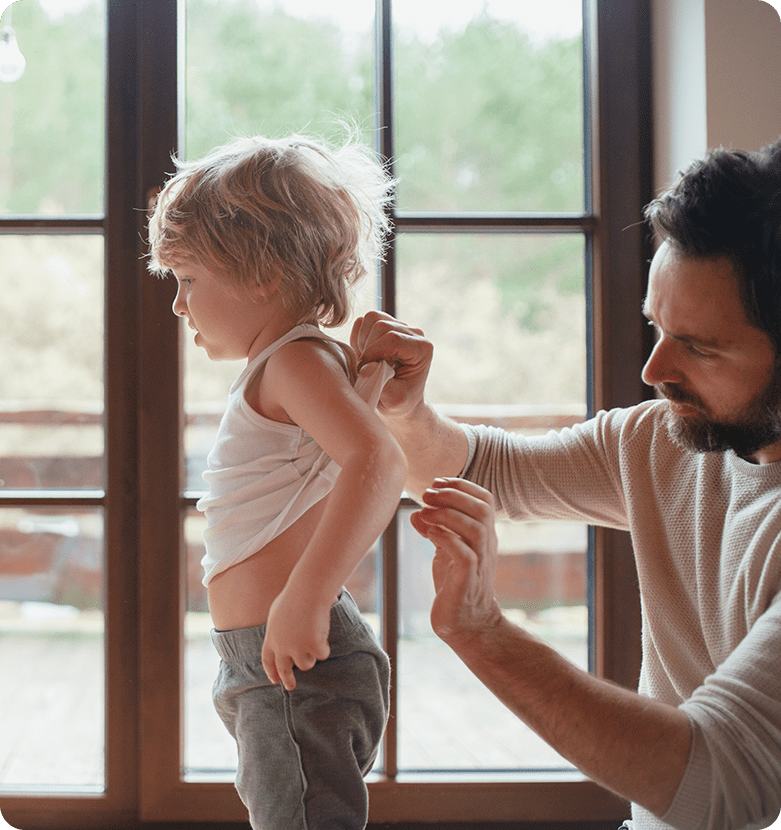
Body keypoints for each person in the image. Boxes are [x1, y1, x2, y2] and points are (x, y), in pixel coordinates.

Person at [350, 139, 781, 830]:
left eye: (698, 346)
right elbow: (485, 469)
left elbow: (719, 776)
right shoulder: (661, 439)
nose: (653, 369)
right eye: (655, 327)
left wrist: (484, 633)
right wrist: (406, 413)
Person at [147, 132, 406, 830]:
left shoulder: (293, 364)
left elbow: (377, 462)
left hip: (292, 658)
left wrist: (307, 597)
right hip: (264, 656)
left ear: (260, 275)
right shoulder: (292, 367)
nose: (179, 304)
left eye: (190, 279)